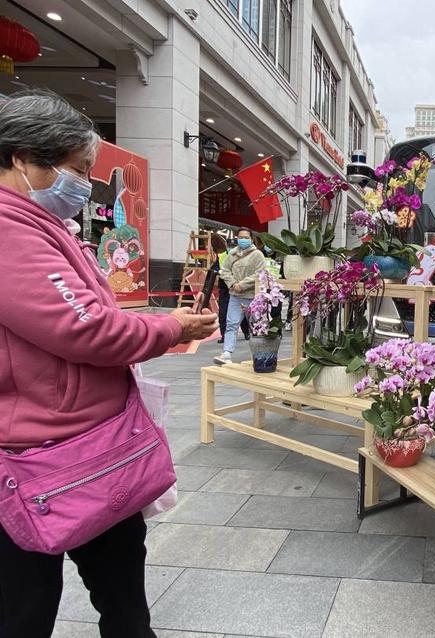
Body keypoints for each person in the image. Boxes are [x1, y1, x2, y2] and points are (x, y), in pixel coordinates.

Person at [0, 90, 217, 638]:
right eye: (76, 171)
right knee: (27, 609)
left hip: (86, 444)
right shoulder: (10, 232)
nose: (84, 186)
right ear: (23, 158)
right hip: (40, 457)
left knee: (122, 601)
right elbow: (87, 327)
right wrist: (172, 328)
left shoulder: (36, 225)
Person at [214, 227, 265, 364]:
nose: (243, 240)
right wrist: (233, 284)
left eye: (246, 237)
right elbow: (224, 271)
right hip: (235, 296)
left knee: (257, 327)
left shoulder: (257, 255)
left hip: (253, 297)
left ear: (251, 239)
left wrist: (242, 284)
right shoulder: (232, 254)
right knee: (231, 324)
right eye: (240, 237)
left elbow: (259, 273)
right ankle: (226, 354)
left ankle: (260, 355)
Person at [208, 234, 249, 343]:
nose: (231, 248)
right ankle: (224, 335)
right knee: (223, 312)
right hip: (225, 289)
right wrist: (217, 271)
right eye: (230, 245)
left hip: (238, 288)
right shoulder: (222, 256)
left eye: (233, 246)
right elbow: (215, 267)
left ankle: (246, 332)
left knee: (242, 311)